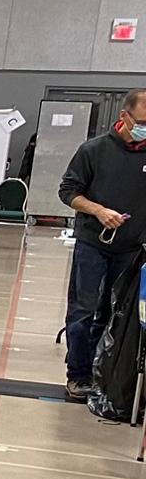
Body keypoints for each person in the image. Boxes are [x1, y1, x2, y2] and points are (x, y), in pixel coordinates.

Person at [57, 88, 146, 402]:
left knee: (116, 314)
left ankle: (102, 372)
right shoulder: (93, 150)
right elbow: (68, 191)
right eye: (142, 122)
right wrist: (98, 210)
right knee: (84, 310)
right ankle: (78, 375)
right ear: (124, 116)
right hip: (93, 243)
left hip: (132, 249)